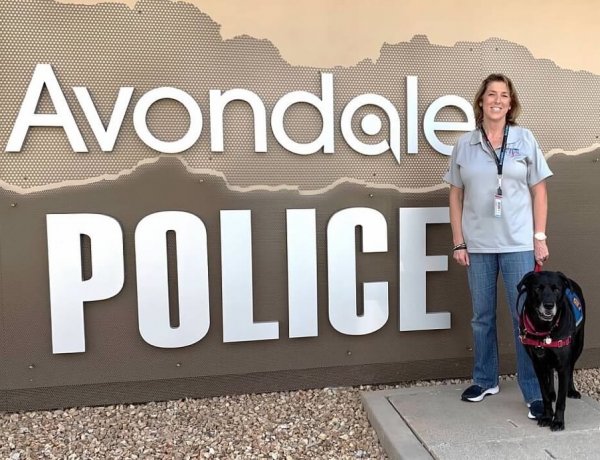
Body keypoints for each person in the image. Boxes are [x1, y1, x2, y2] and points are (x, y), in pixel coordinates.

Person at [444, 73, 552, 420]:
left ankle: (533, 391)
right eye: (491, 94)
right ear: (481, 101)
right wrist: (458, 240)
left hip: (518, 242)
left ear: (511, 103)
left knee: (526, 318)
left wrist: (539, 237)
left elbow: (539, 190)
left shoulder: (525, 139)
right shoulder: (465, 144)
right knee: (482, 317)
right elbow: (455, 195)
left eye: (504, 95)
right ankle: (485, 379)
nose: (497, 100)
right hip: (477, 245)